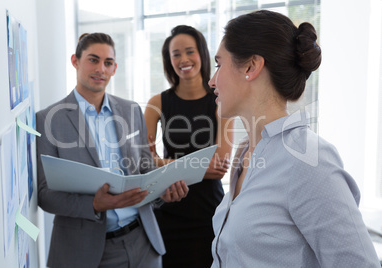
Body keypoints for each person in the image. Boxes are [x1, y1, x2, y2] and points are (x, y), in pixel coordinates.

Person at [208, 10, 381, 267]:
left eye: (219, 64)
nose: (212, 81)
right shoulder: (246, 151)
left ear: (251, 66)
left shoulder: (309, 161)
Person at [36, 32, 189, 268]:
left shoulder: (131, 111)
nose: (101, 69)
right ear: (75, 61)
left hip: (144, 244)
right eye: (93, 60)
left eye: (108, 63)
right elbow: (45, 195)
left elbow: (145, 168)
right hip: (86, 252)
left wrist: (163, 191)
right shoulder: (48, 120)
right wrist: (95, 205)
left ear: (115, 68)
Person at [144, 25, 233, 268]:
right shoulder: (157, 103)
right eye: (176, 54)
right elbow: (144, 161)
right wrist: (199, 165)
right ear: (168, 60)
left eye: (189, 51)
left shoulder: (221, 100)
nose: (183, 59)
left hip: (209, 214)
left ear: (201, 54)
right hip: (169, 208)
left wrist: (167, 165)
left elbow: (221, 164)